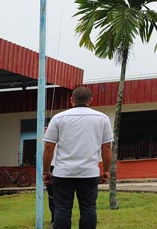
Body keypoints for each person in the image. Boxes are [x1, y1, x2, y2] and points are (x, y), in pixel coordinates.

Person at [43, 86, 113, 229]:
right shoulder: (102, 118)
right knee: (88, 209)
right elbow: (106, 148)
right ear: (91, 100)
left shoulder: (58, 118)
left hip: (63, 173)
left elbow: (49, 147)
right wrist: (106, 170)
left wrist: (46, 171)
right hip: (89, 173)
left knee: (62, 210)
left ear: (71, 100)